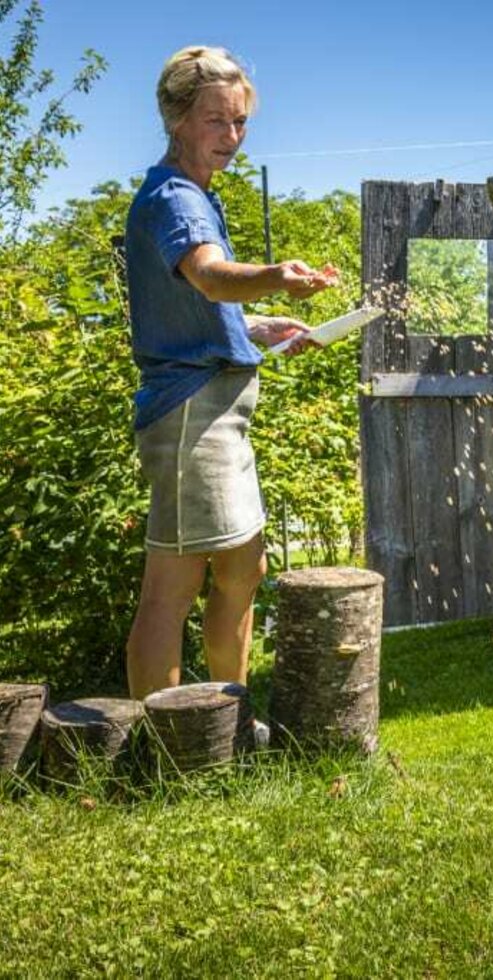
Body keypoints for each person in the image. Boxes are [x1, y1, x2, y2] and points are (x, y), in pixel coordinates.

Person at [123, 46, 337, 701]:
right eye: (217, 121)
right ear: (178, 118)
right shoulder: (176, 200)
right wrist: (275, 277)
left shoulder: (193, 197)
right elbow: (212, 278)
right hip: (191, 412)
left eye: (240, 122)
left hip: (215, 407)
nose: (233, 137)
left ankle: (226, 719)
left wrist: (263, 326)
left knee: (244, 568)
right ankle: (167, 744)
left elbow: (195, 309)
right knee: (174, 585)